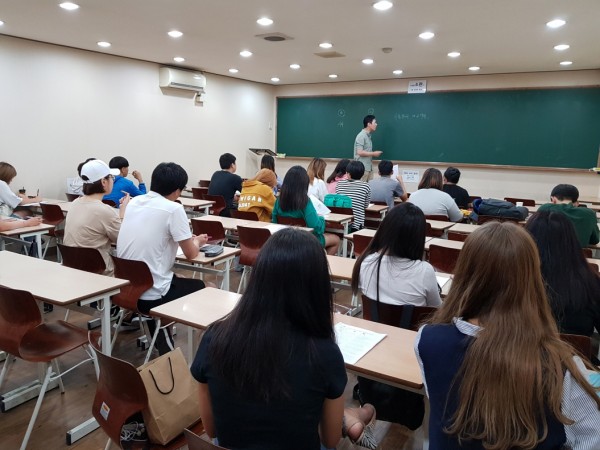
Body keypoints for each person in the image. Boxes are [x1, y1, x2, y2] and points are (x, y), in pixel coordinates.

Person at [415, 221, 600, 450]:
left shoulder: (426, 340)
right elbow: (592, 439)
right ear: (533, 279)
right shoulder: (561, 368)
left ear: (463, 274)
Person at [191, 228, 377, 450]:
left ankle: (349, 417)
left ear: (259, 277)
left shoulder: (214, 339)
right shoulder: (325, 354)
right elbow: (329, 439)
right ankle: (350, 417)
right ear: (317, 286)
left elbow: (212, 430)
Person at [117, 162, 208, 354]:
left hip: (124, 290)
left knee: (177, 279)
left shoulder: (134, 202)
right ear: (177, 191)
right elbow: (191, 254)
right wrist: (197, 241)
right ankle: (202, 352)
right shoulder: (174, 209)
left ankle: (163, 340)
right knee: (210, 289)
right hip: (151, 294)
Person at [526, 211, 600, 340]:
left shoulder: (512, 279)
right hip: (573, 352)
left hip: (518, 350)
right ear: (572, 241)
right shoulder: (591, 283)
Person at [352, 203, 441, 307]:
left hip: (373, 318)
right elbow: (436, 308)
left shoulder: (366, 261)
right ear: (418, 237)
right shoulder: (425, 271)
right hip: (412, 318)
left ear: (385, 229)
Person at [63, 159, 128, 276]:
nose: (113, 180)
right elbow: (123, 239)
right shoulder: (104, 211)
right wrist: (123, 212)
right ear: (103, 182)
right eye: (111, 177)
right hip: (99, 273)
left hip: (73, 269)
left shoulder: (74, 204)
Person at [272, 166, 340, 255]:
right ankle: (321, 263)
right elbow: (316, 227)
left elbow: (274, 221)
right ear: (304, 184)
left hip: (284, 239)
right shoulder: (305, 202)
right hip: (305, 241)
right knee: (336, 240)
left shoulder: (279, 201)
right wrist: (321, 219)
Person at [537, 184, 599, 248]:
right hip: (577, 254)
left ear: (553, 199)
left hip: (547, 252)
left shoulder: (545, 208)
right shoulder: (589, 213)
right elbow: (595, 240)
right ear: (576, 202)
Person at [335, 161, 371, 231]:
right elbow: (366, 206)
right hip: (357, 226)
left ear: (348, 174)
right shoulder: (365, 186)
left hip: (342, 223)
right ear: (362, 174)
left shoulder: (340, 184)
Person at [208, 153, 243, 217]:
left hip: (211, 210)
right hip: (226, 212)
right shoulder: (235, 178)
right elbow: (246, 193)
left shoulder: (215, 174)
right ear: (232, 165)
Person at [354, 115, 382, 182]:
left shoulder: (368, 136)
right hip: (362, 169)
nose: (376, 124)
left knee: (369, 187)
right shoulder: (361, 135)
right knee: (361, 187)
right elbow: (359, 152)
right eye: (375, 122)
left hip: (369, 168)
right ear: (369, 124)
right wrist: (374, 153)